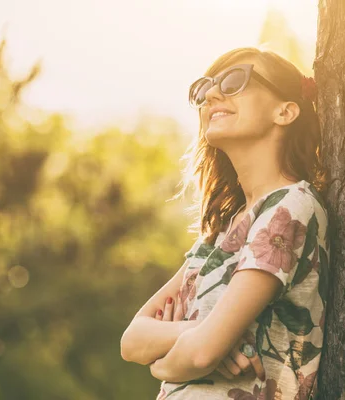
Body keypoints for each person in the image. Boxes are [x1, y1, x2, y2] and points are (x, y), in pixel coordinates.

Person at [120, 46, 330, 400]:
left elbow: (201, 353)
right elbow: (132, 341)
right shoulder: (220, 234)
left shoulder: (292, 207)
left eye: (235, 82)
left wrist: (163, 364)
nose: (212, 95)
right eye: (204, 90)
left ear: (285, 111)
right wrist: (203, 332)